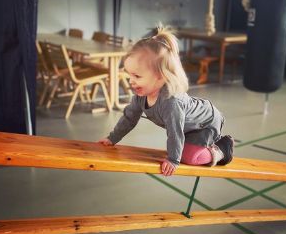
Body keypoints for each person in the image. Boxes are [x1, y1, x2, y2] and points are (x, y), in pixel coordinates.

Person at [99, 27, 234, 176]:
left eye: (137, 76)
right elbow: (129, 118)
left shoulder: (171, 102)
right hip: (188, 128)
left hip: (206, 123)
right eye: (129, 75)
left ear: (160, 76)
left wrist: (173, 159)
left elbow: (175, 132)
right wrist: (112, 138)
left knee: (189, 157)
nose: (131, 81)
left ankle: (223, 148)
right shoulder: (141, 95)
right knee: (182, 148)